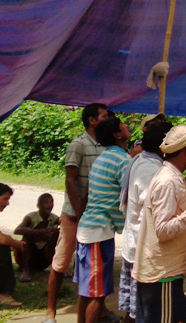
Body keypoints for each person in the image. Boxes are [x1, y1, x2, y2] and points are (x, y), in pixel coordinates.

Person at [133, 124, 186, 323]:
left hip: (164, 272)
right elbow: (163, 230)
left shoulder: (172, 177)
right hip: (162, 274)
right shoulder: (168, 181)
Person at [45, 102, 108, 323]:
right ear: (92, 120)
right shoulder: (78, 145)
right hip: (74, 215)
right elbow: (70, 181)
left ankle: (98, 311)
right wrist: (80, 212)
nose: (106, 119)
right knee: (61, 262)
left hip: (94, 217)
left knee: (92, 265)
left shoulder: (104, 146)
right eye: (103, 116)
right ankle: (50, 311)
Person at [75, 115, 132, 323]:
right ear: (117, 134)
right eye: (123, 125)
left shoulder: (102, 157)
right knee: (97, 295)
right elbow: (126, 197)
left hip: (87, 229)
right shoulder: (123, 161)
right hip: (99, 232)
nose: (127, 126)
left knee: (86, 289)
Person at [119, 120, 172, 323]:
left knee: (136, 310)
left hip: (136, 245)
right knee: (143, 310)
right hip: (142, 249)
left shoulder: (141, 160)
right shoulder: (151, 170)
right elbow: (154, 213)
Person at [14, 193, 59, 281]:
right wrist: (38, 232)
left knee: (57, 235)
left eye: (51, 202)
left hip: (43, 257)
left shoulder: (54, 218)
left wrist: (55, 231)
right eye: (46, 202)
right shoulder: (31, 217)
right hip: (28, 256)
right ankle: (25, 270)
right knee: (28, 236)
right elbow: (17, 230)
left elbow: (65, 228)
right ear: (38, 205)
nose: (49, 205)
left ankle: (57, 267)